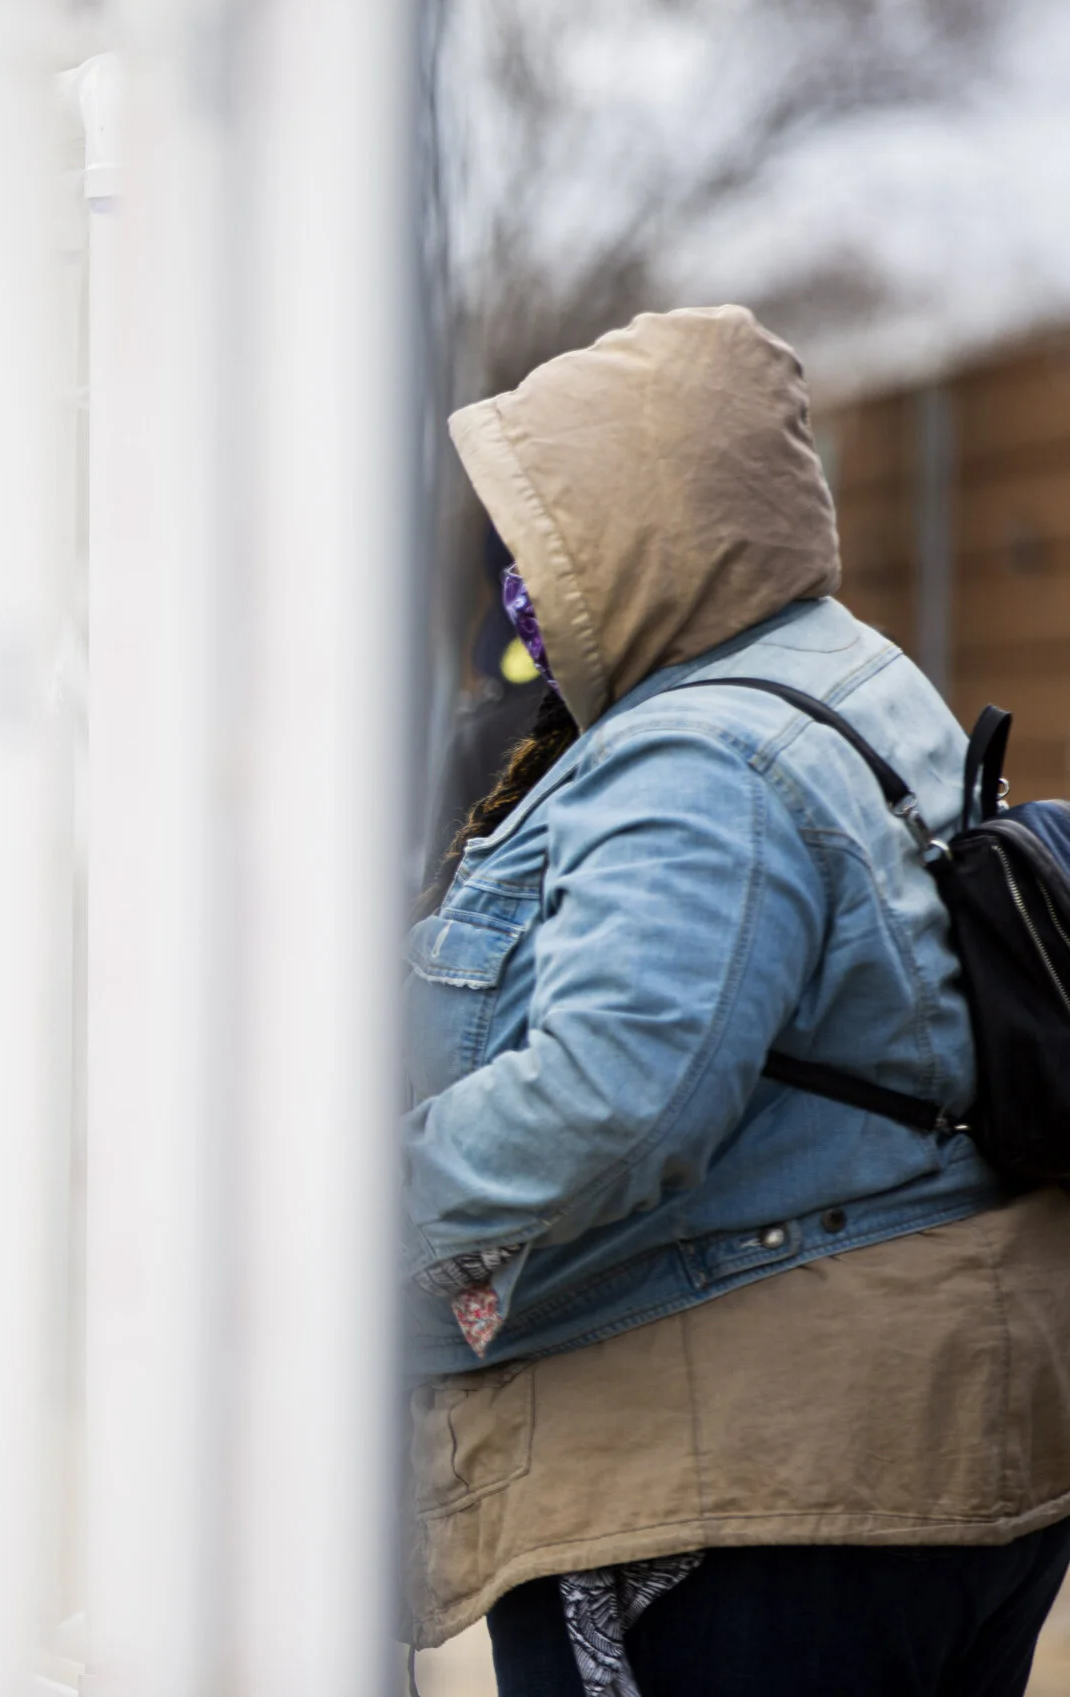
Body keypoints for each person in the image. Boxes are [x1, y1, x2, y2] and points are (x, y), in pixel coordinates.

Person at [404, 306, 1070, 1697]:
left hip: (734, 1480)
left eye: (546, 531)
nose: (517, 578)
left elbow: (616, 1097)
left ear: (638, 530)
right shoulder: (851, 678)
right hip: (934, 1440)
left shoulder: (695, 757)